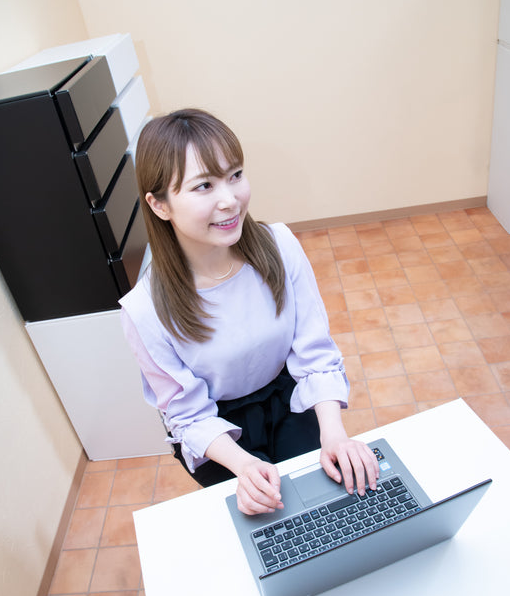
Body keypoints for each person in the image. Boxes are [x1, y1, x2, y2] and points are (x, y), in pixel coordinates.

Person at [120, 108, 379, 515]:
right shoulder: (144, 310)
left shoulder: (279, 246)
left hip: (288, 397)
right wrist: (244, 466)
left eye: (235, 175)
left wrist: (335, 435)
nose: (230, 200)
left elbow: (314, 351)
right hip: (220, 431)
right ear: (160, 205)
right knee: (266, 519)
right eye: (203, 185)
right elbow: (188, 415)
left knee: (327, 503)